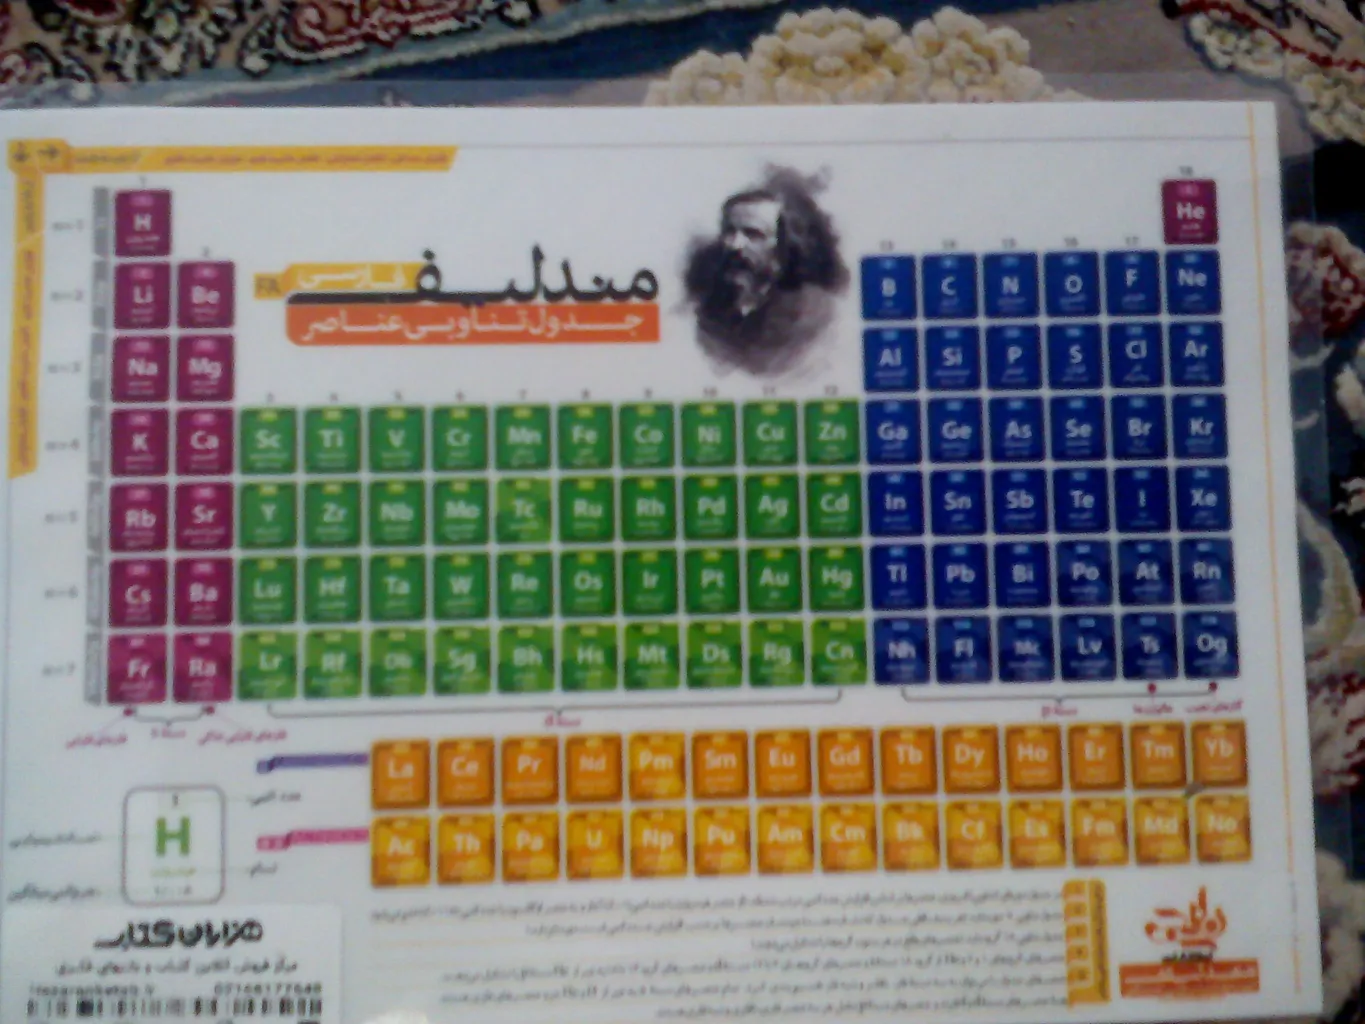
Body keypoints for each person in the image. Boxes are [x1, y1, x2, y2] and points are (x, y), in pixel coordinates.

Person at [684, 167, 848, 378]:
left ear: (783, 246)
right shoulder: (707, 311)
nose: (734, 245)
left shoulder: (813, 316)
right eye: (729, 231)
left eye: (753, 234)